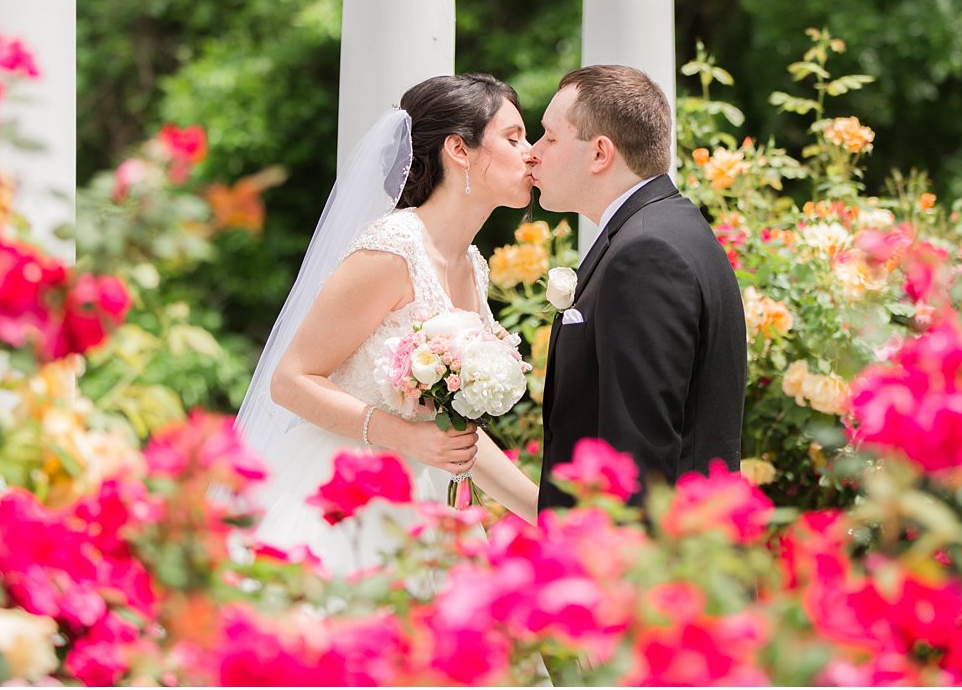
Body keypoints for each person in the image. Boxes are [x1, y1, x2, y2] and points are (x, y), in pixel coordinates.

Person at [237, 73, 542, 578]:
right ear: (459, 151)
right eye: (513, 138)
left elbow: (455, 435)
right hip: (349, 497)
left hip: (432, 504)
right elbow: (290, 380)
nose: (530, 153)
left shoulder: (472, 262)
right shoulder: (392, 248)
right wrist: (405, 437)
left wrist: (545, 515)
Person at [528, 64, 747, 511]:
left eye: (549, 137)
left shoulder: (646, 255)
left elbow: (639, 459)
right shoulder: (668, 229)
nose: (533, 152)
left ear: (599, 153)